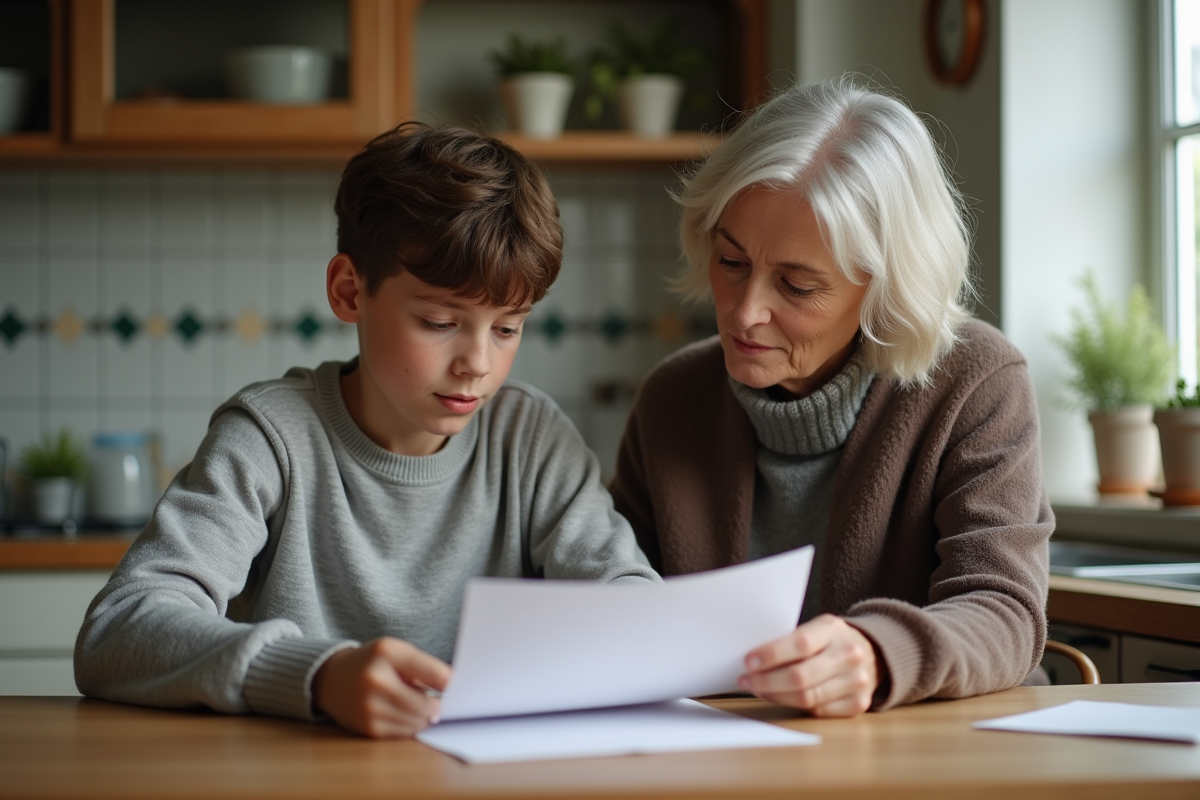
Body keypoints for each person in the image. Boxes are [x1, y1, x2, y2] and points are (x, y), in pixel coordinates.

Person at [75, 122, 660, 739]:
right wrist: (318, 675)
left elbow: (630, 600)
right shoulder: (269, 438)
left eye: (508, 328)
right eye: (440, 322)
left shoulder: (532, 438)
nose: (478, 364)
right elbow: (119, 629)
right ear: (349, 291)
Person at [609, 78, 1052, 718]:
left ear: (885, 291)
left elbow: (1005, 610)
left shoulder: (977, 381)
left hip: (929, 750)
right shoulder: (673, 398)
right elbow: (620, 603)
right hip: (731, 747)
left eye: (796, 286)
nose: (745, 312)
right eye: (731, 263)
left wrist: (878, 655)